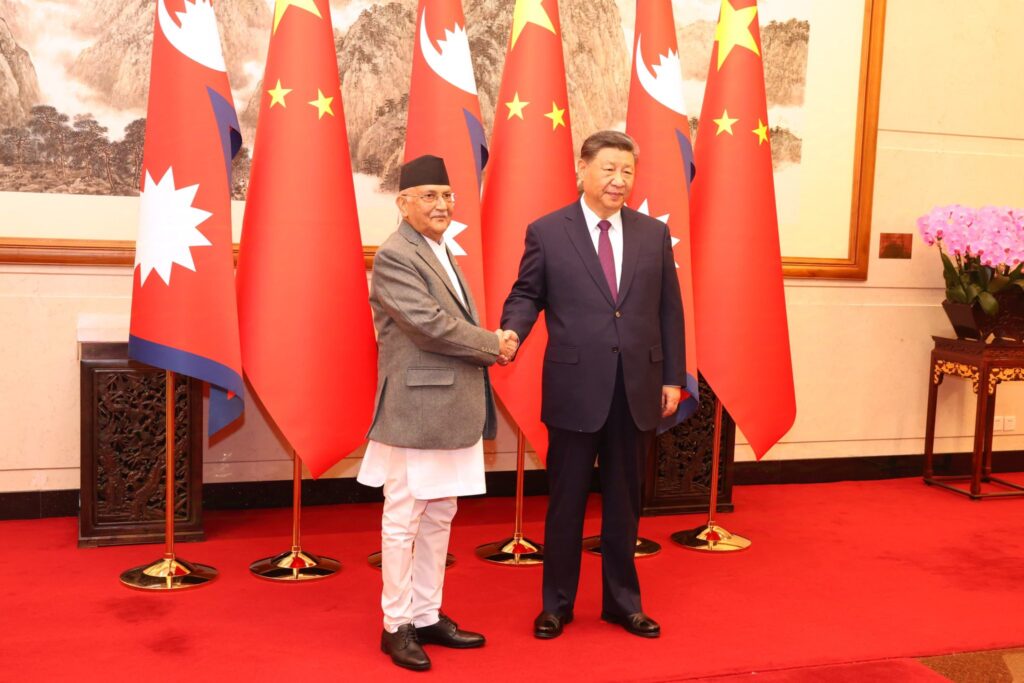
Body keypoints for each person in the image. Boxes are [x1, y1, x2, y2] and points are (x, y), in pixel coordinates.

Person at [500, 131, 685, 640]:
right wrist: (512, 331)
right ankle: (556, 604)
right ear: (581, 169)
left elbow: (670, 309)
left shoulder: (651, 234)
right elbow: (527, 293)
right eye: (608, 169)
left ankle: (623, 603)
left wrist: (673, 376)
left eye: (627, 171)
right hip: (575, 388)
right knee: (567, 502)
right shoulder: (548, 231)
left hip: (637, 387)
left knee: (626, 503)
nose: (618, 180)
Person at [358, 154, 517, 671]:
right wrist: (493, 343)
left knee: (441, 512)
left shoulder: (440, 248)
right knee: (403, 515)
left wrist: (490, 343)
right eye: (429, 195)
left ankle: (427, 614)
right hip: (417, 407)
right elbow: (428, 325)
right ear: (403, 204)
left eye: (447, 195)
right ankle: (395, 624)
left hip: (449, 406)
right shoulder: (395, 255)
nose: (442, 204)